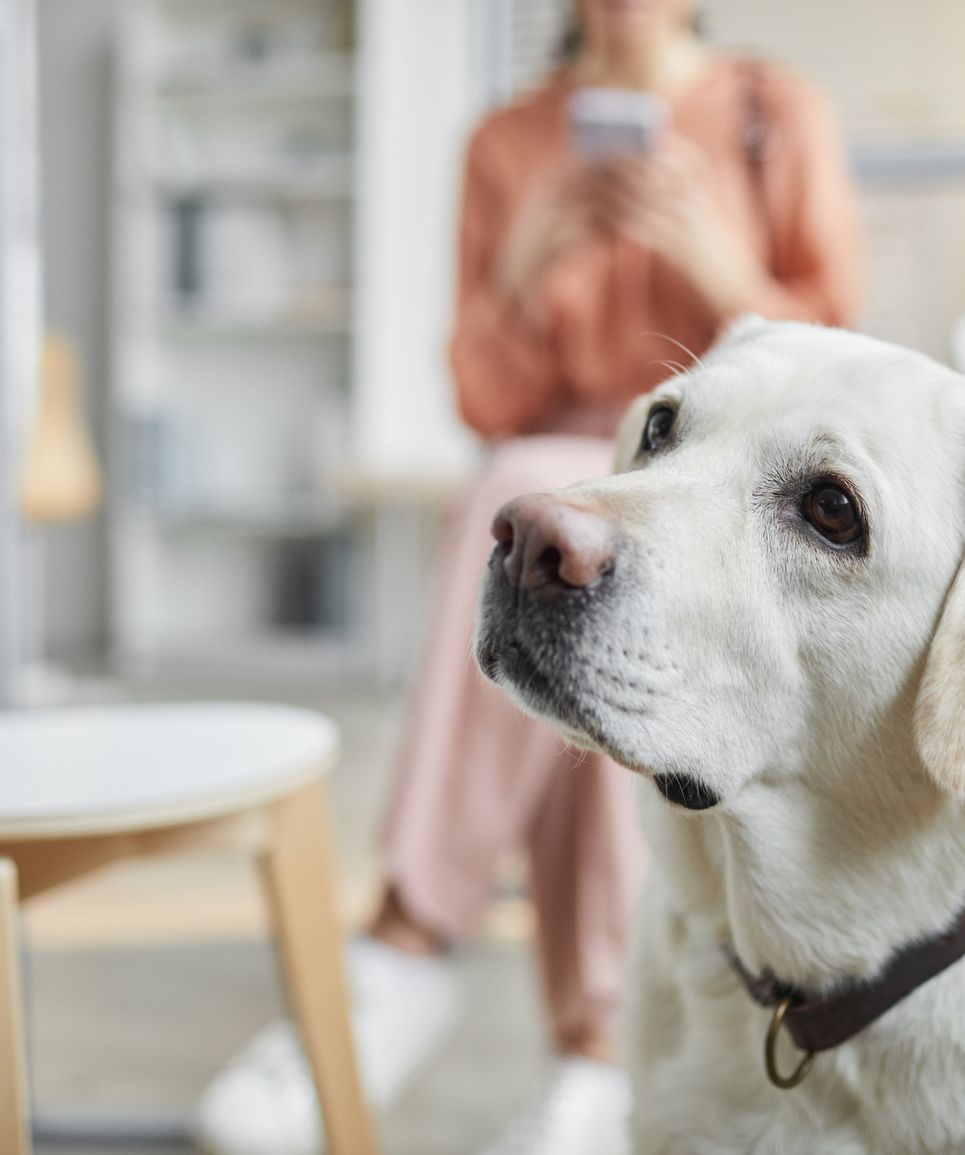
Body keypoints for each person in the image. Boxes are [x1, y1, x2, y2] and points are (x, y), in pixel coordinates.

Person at [193, 1, 861, 1153]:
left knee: (558, 509)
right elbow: (482, 396)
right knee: (551, 511)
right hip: (550, 479)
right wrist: (528, 260)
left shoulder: (770, 115)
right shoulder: (506, 142)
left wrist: (718, 265)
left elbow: (844, 376)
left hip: (717, 501)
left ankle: (408, 945)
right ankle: (598, 1061)